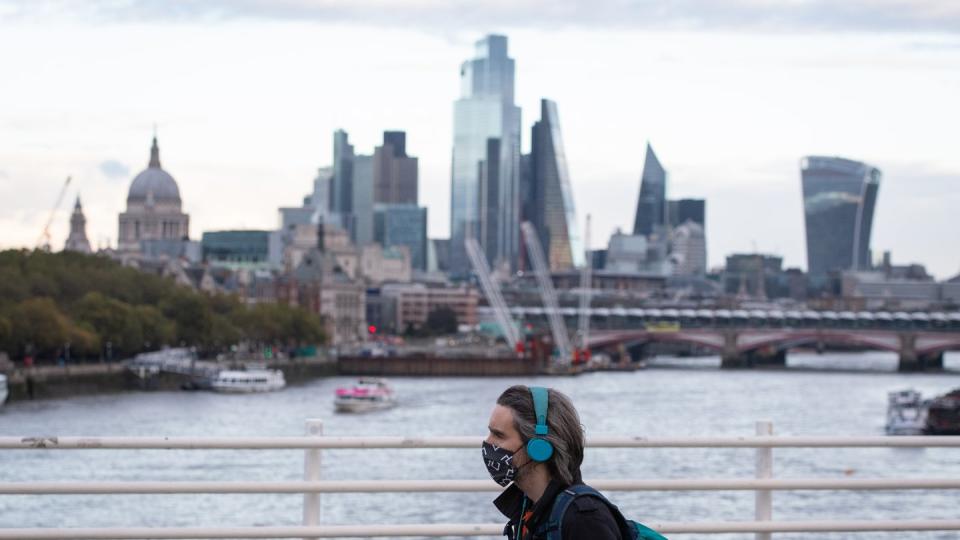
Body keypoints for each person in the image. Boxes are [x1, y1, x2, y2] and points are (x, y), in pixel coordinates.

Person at [483, 384, 623, 540]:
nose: (488, 442)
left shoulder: (584, 519)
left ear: (538, 448)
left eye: (499, 435)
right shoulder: (528, 507)